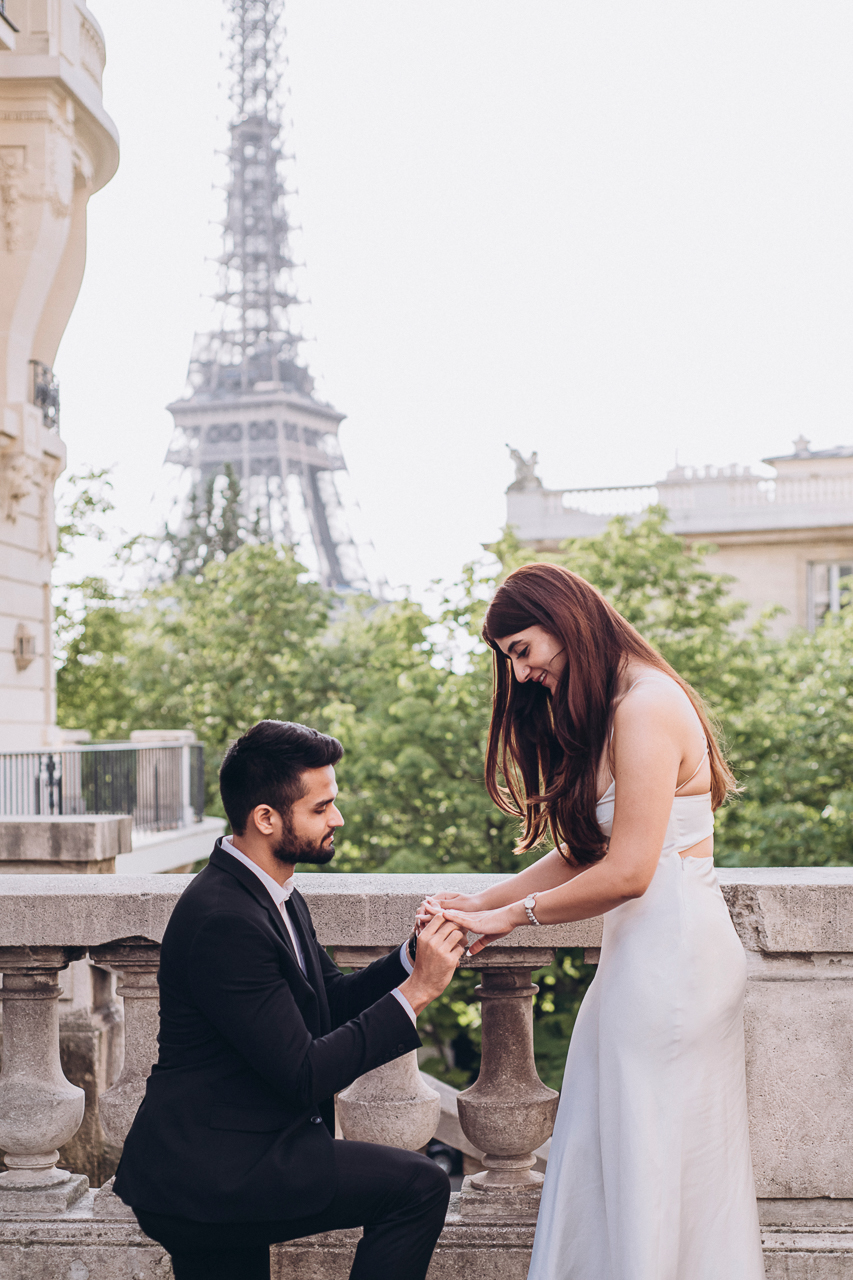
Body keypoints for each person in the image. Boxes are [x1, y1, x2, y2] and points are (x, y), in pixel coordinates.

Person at [423, 562, 765, 1280]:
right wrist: (477, 904)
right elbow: (584, 852)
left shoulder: (645, 705)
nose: (518, 675)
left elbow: (629, 871)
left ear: (563, 617)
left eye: (521, 650)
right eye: (508, 658)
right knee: (617, 1156)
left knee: (647, 1161)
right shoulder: (619, 704)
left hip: (673, 965)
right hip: (647, 957)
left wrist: (511, 919)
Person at [114, 719, 465, 1280]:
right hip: (211, 1172)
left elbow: (328, 997)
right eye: (322, 807)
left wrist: (412, 956)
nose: (338, 819)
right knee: (418, 1187)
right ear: (266, 818)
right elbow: (304, 1072)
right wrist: (416, 991)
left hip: (228, 1154)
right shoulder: (224, 918)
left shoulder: (272, 890)